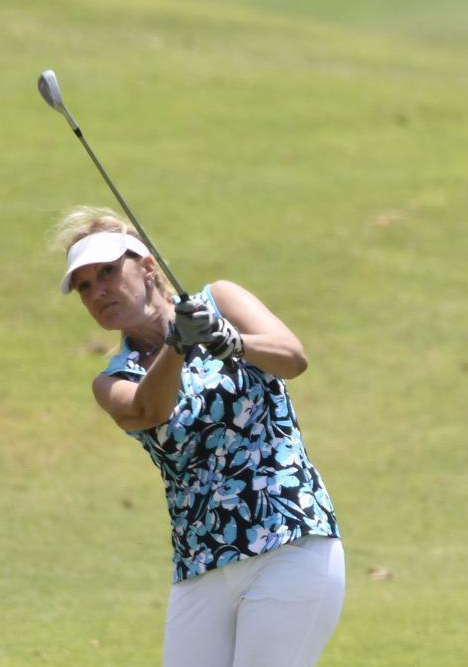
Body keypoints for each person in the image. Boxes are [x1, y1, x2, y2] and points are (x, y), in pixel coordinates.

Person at [52, 206, 344, 667]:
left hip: (288, 541)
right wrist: (178, 345)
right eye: (85, 286)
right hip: (201, 566)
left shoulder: (220, 300)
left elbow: (292, 357)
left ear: (148, 266)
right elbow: (149, 409)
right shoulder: (113, 379)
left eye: (108, 271)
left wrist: (231, 340)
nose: (98, 292)